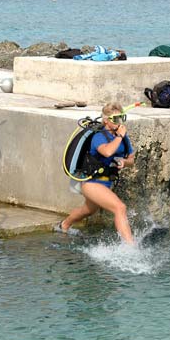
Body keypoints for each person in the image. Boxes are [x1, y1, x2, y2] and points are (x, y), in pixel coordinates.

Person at [57, 102, 136, 244]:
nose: (119, 122)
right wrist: (119, 137)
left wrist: (125, 162)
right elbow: (107, 151)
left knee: (88, 210)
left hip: (106, 182)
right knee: (120, 208)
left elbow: (131, 159)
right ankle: (131, 248)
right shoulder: (99, 137)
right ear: (106, 121)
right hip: (92, 182)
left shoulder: (123, 137)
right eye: (116, 119)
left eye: (122, 118)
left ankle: (64, 225)